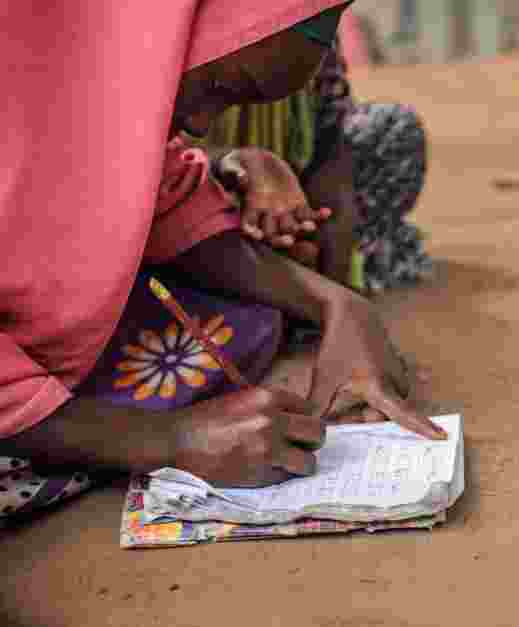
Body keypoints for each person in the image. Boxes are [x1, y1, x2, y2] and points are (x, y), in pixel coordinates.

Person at [0, 1, 445, 520]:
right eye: (219, 90)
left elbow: (158, 193)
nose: (199, 121)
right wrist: (166, 439)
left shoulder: (94, 60)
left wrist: (336, 305)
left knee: (241, 325)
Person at [199, 36, 434, 294]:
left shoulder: (314, 29)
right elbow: (164, 153)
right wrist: (252, 165)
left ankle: (292, 268)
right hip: (204, 185)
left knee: (393, 130)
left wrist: (333, 287)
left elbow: (332, 154)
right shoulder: (175, 28)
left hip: (293, 195)